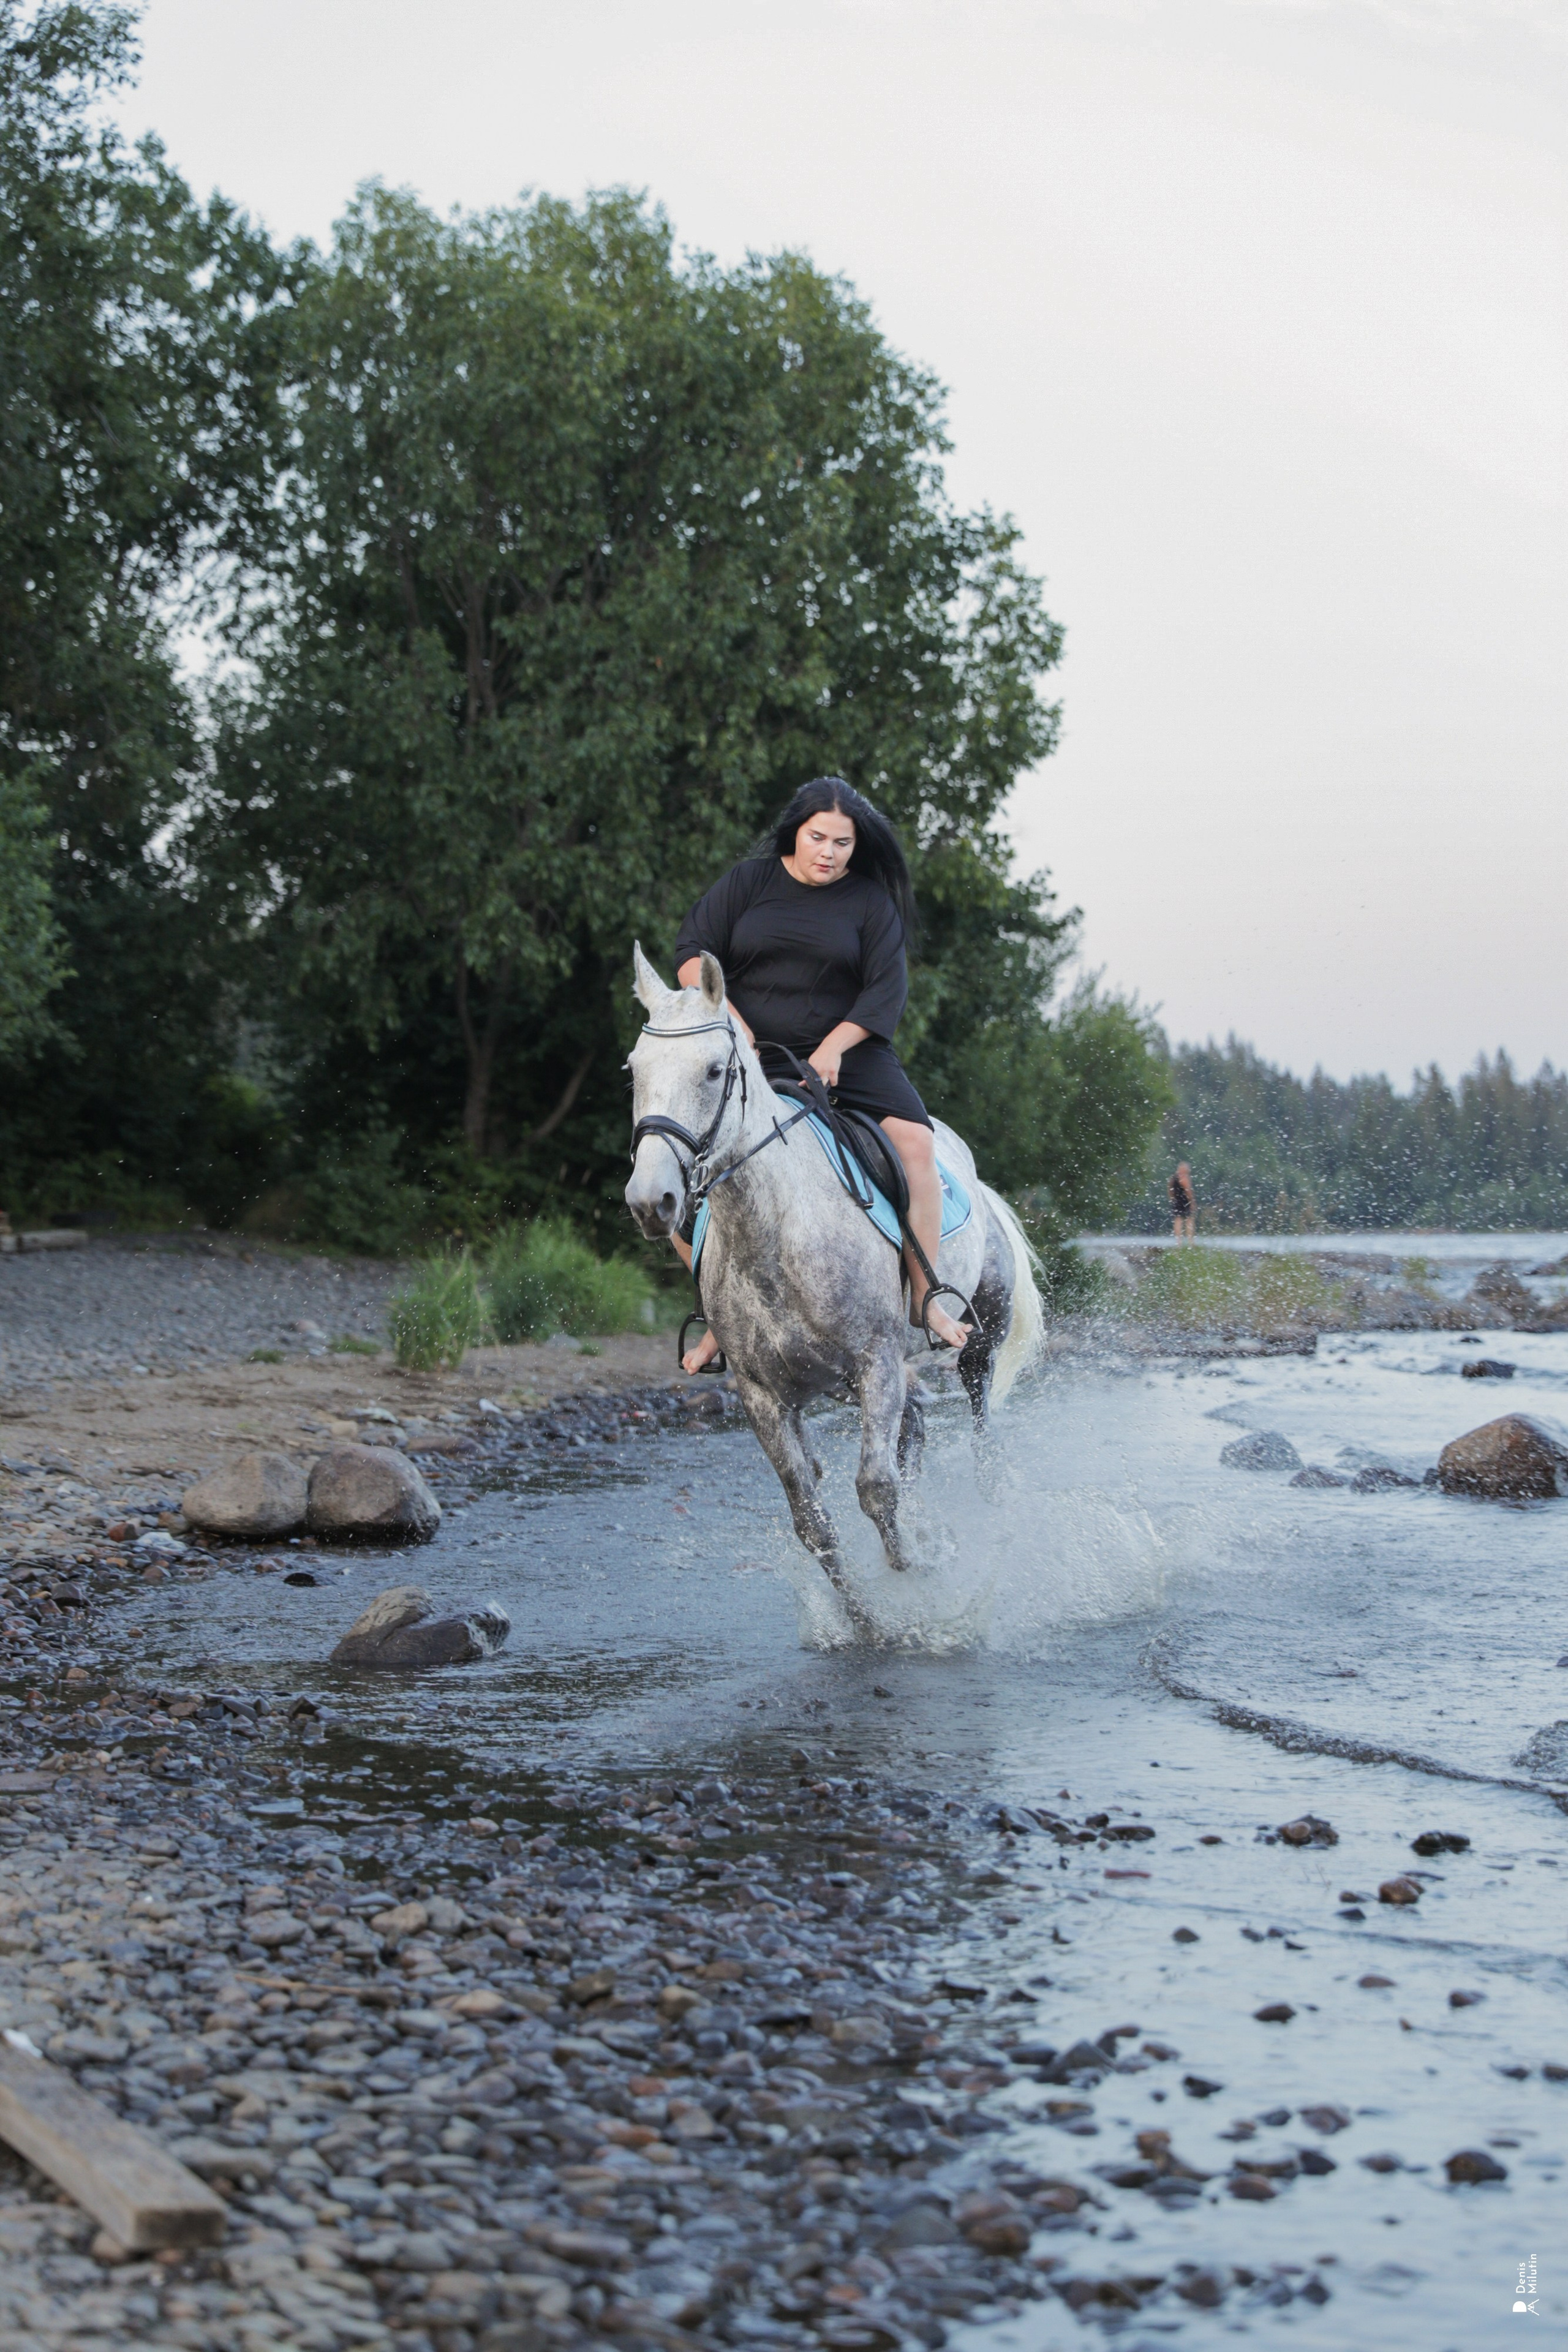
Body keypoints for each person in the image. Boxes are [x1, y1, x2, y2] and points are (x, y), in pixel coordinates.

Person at [668, 776, 971, 1371]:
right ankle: (720, 1314)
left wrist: (835, 1046)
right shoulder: (748, 882)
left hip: (849, 1055)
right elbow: (690, 957)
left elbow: (886, 990)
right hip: (750, 1057)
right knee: (673, 1164)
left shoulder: (870, 903)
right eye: (817, 838)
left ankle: (927, 1297)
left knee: (915, 1142)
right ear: (795, 832)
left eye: (843, 842)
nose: (829, 853)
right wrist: (734, 1027)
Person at [1169, 1161, 1196, 1241]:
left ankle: (1178, 1242)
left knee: (1178, 1221)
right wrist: (1192, 1202)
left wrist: (1173, 1198)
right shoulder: (1184, 1178)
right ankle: (1190, 1241)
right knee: (1189, 1221)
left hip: (1177, 1201)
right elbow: (1188, 1191)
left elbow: (1170, 1190)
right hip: (1185, 1201)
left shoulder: (1173, 1178)